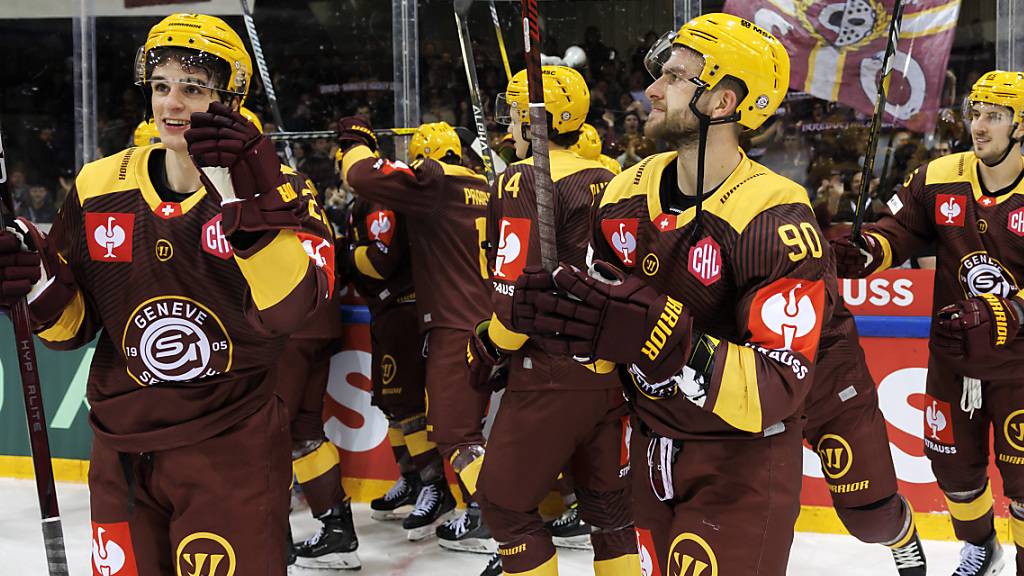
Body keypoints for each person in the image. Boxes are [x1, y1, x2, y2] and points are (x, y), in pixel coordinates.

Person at [0, 13, 335, 575]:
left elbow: (290, 311)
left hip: (230, 446)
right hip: (119, 448)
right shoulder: (99, 184)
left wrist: (244, 202)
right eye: (161, 86)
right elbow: (72, 329)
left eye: (193, 87)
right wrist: (35, 281)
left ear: (228, 97)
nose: (172, 103)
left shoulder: (282, 188)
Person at [509, 15, 830, 575]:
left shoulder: (775, 215)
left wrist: (671, 341)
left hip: (740, 465)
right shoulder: (624, 191)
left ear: (724, 102)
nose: (652, 90)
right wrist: (568, 323)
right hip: (650, 447)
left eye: (677, 79)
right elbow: (607, 329)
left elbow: (778, 388)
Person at [833, 70, 1024, 576]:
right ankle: (982, 547)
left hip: (1019, 368)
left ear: (1021, 126)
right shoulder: (939, 176)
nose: (979, 126)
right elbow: (899, 230)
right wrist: (869, 250)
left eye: (995, 116)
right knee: (953, 469)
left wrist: (1013, 311)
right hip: (953, 360)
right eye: (975, 114)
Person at [470, 65, 638, 576]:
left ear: (528, 117)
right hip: (611, 375)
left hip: (549, 372)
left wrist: (490, 345)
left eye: (515, 113)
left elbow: (515, 300)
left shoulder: (523, 177)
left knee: (502, 504)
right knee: (609, 517)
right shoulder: (615, 176)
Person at [335, 118, 496, 553]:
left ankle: (491, 517)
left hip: (453, 321)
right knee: (476, 428)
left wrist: (353, 145)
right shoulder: (485, 183)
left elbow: (362, 174)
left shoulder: (435, 183)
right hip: (491, 319)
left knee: (454, 432)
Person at [345, 128, 457, 538]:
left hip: (406, 307)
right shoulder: (425, 190)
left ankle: (433, 485)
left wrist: (346, 252)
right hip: (395, 307)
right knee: (391, 402)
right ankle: (412, 479)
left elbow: (381, 261)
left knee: (406, 403)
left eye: (347, 151)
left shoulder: (388, 198)